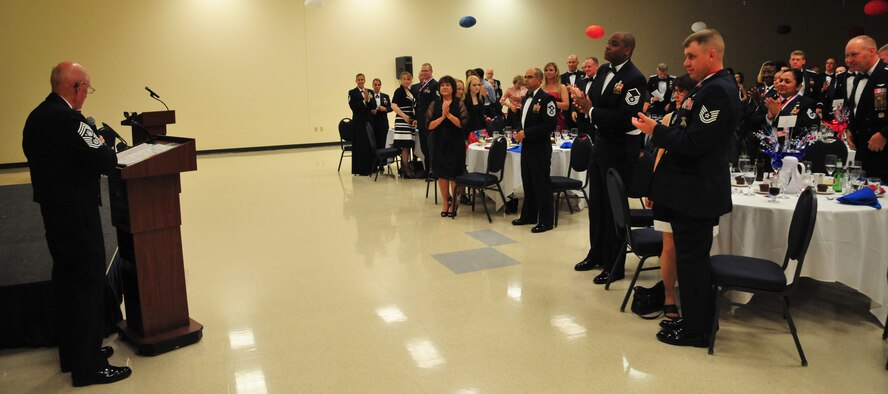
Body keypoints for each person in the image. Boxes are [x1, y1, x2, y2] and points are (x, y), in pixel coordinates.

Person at [21, 61, 132, 387]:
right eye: (87, 88)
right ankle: (88, 368)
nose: (87, 94)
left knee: (68, 281)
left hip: (53, 212)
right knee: (86, 284)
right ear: (76, 87)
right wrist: (101, 143)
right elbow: (104, 159)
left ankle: (74, 354)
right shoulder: (71, 120)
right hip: (77, 212)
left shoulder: (36, 117)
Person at [632, 28, 741, 347]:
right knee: (690, 261)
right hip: (687, 192)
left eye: (692, 56)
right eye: (686, 56)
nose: (686, 62)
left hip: (697, 193)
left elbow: (695, 142)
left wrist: (656, 131)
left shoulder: (719, 90)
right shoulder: (705, 87)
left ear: (712, 54)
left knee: (693, 264)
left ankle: (697, 331)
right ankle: (693, 323)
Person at [571, 32, 647, 284]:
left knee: (613, 205)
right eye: (607, 42)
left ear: (627, 50)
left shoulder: (635, 78)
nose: (607, 47)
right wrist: (585, 103)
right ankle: (596, 254)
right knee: (597, 203)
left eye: (614, 44)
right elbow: (600, 105)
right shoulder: (603, 70)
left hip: (620, 147)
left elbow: (626, 117)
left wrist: (590, 109)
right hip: (601, 143)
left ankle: (615, 264)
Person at [646, 74, 694, 320]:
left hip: (690, 188)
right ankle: (669, 296)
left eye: (681, 92)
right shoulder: (668, 117)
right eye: (675, 91)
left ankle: (693, 296)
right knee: (669, 245)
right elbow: (660, 153)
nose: (676, 96)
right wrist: (653, 186)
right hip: (666, 186)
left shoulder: (698, 119)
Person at [511, 68, 557, 233]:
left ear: (539, 80)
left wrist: (527, 133)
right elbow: (523, 121)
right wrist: (519, 131)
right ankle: (529, 216)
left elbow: (549, 125)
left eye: (529, 77)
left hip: (540, 147)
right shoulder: (526, 98)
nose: (526, 79)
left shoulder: (547, 99)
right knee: (528, 182)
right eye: (525, 77)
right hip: (527, 146)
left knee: (541, 184)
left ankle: (546, 221)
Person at [844, 35, 888, 179]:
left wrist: (884, 134)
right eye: (847, 56)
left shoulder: (885, 74)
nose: (849, 60)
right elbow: (856, 108)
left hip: (884, 149)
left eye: (854, 54)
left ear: (872, 51)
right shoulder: (858, 78)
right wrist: (851, 127)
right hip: (863, 149)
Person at [426, 75, 469, 217]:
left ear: (453, 88)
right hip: (438, 142)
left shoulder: (459, 103)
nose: (444, 87)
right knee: (441, 174)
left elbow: (463, 124)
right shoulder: (434, 104)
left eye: (447, 85)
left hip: (455, 143)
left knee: (453, 174)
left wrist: (449, 115)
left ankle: (454, 203)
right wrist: (442, 117)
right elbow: (428, 125)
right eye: (442, 85)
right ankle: (446, 202)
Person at [757, 68, 820, 142]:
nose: (781, 84)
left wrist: (778, 114)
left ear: (798, 87)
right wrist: (768, 117)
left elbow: (804, 128)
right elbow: (753, 122)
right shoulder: (769, 100)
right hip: (766, 147)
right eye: (780, 81)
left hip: (791, 147)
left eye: (787, 82)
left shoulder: (806, 103)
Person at [412, 63, 439, 175]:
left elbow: (435, 104)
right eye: (422, 71)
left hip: (430, 122)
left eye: (426, 71)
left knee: (431, 148)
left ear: (431, 71)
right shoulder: (421, 85)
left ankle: (434, 171)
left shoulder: (435, 85)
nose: (424, 73)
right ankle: (428, 170)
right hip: (421, 123)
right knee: (424, 148)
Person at [391, 71, 418, 178]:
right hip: (402, 121)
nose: (406, 81)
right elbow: (393, 106)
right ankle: (405, 168)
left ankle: (406, 167)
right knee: (405, 146)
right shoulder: (399, 91)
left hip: (410, 121)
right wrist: (404, 116)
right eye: (404, 79)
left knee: (408, 145)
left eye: (408, 79)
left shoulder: (410, 92)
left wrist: (414, 118)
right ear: (400, 80)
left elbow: (414, 107)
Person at [348, 73, 375, 175]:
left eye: (362, 79)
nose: (360, 81)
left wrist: (368, 100)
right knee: (360, 145)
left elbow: (373, 105)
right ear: (356, 81)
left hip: (369, 121)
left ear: (364, 80)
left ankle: (371, 167)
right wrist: (364, 101)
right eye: (358, 80)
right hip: (358, 123)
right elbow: (353, 107)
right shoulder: (352, 92)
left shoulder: (369, 91)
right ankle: (361, 168)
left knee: (369, 144)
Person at [570, 57, 599, 137]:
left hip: (595, 117)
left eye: (589, 66)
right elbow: (575, 97)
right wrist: (573, 110)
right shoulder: (580, 81)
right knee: (582, 142)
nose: (586, 69)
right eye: (584, 67)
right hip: (581, 118)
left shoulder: (601, 81)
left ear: (596, 66)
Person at [543, 62, 571, 132]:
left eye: (551, 70)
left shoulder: (562, 87)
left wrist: (551, 103)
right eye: (546, 70)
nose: (548, 72)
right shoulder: (541, 87)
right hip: (542, 118)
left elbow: (566, 106)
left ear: (556, 72)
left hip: (557, 118)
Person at [370, 78, 391, 153]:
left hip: (383, 123)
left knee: (384, 141)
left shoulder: (385, 96)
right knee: (374, 142)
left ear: (381, 85)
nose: (377, 86)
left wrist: (385, 109)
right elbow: (365, 108)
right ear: (372, 85)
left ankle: (384, 161)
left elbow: (390, 108)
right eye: (375, 85)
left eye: (378, 85)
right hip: (373, 122)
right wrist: (371, 111)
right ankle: (375, 162)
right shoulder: (369, 96)